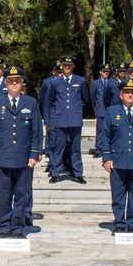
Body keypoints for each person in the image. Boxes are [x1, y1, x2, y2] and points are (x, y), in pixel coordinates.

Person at [0, 65, 43, 240]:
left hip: (23, 158)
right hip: (3, 157)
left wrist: (34, 155)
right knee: (4, 194)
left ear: (22, 83)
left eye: (17, 81)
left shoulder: (31, 103)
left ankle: (18, 228)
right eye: (11, 81)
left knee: (21, 194)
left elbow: (36, 131)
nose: (14, 83)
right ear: (6, 83)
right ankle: (4, 226)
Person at [99, 78, 133, 233]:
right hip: (118, 160)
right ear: (120, 94)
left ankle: (132, 223)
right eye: (127, 92)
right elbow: (106, 136)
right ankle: (119, 222)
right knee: (118, 195)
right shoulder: (112, 112)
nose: (130, 95)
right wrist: (106, 158)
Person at [45, 55, 90, 184]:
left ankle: (78, 173)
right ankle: (55, 172)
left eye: (69, 65)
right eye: (65, 65)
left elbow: (85, 99)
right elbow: (50, 100)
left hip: (75, 119)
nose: (67, 67)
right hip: (60, 119)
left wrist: (75, 110)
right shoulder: (55, 82)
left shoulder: (80, 81)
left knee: (75, 148)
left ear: (73, 67)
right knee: (58, 147)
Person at [91, 64, 113, 158]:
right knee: (100, 130)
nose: (106, 73)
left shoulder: (112, 82)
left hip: (110, 110)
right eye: (104, 71)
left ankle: (109, 148)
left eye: (107, 71)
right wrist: (96, 108)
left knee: (110, 130)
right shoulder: (95, 83)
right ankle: (99, 148)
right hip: (101, 109)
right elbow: (92, 97)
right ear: (100, 72)